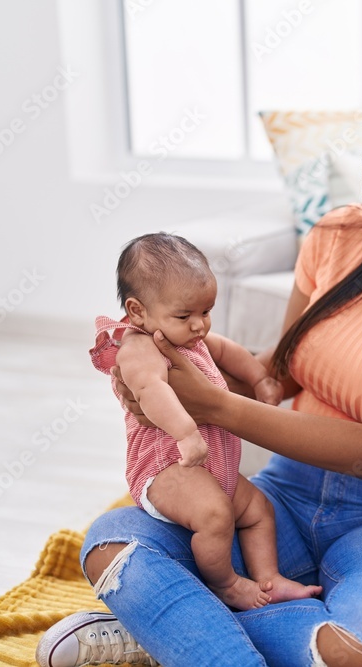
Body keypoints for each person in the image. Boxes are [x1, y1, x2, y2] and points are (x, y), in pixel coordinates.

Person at [36, 99, 362, 667]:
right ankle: (206, 635)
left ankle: (178, 629)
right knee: (115, 545)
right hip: (285, 493)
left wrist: (216, 406)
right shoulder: (338, 236)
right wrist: (173, 373)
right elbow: (278, 368)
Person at [89, 233, 320, 612]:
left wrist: (261, 379)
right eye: (185, 316)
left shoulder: (188, 336)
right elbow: (151, 391)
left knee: (258, 509)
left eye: (206, 312)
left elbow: (230, 352)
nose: (199, 325)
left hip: (212, 466)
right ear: (137, 311)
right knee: (216, 514)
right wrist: (185, 432)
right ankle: (226, 584)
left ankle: (269, 577)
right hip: (167, 466)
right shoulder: (138, 347)